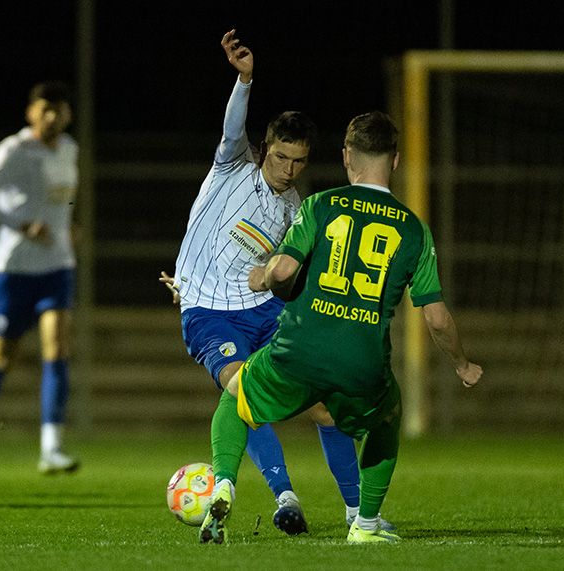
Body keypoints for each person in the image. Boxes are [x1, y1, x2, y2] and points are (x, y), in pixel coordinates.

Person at [198, 111, 483, 544]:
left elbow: (283, 271)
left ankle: (223, 483)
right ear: (396, 161)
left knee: (237, 393)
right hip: (362, 362)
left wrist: (265, 275)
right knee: (388, 417)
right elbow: (437, 318)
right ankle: (364, 524)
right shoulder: (414, 230)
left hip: (300, 347)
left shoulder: (320, 206)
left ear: (347, 156)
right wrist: (462, 364)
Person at [161, 30, 391, 536]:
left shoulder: (294, 207)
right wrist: (244, 78)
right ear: (264, 149)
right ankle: (282, 495)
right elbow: (231, 127)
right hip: (208, 312)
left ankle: (359, 514)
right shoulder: (231, 168)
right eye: (280, 157)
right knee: (247, 391)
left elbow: (286, 272)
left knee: (325, 408)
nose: (288, 169)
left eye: (299, 161)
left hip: (264, 312)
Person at [0, 81, 80, 476]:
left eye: (59, 110)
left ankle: (51, 446)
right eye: (45, 109)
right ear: (31, 113)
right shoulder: (13, 150)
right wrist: (21, 224)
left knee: (57, 348)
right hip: (13, 269)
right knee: (2, 357)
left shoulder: (69, 150)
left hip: (57, 266)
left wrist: (68, 225)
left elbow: (61, 200)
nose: (52, 117)